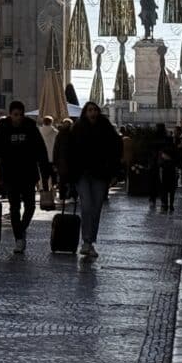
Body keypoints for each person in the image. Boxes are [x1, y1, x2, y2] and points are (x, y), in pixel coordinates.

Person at [0, 101, 54, 253]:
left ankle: (21, 230)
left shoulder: (30, 127)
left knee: (30, 206)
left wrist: (45, 175)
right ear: (10, 114)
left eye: (21, 115)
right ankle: (19, 238)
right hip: (10, 174)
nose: (18, 118)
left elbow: (41, 151)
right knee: (14, 207)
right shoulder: (3, 128)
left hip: (29, 174)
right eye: (16, 115)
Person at [70, 102, 122, 259]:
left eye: (95, 110)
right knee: (86, 206)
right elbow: (70, 151)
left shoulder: (107, 130)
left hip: (100, 174)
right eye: (89, 110)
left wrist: (113, 172)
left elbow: (116, 150)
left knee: (96, 207)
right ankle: (86, 241)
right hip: (82, 174)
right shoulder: (78, 129)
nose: (92, 113)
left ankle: (90, 241)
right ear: (85, 113)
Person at [152, 127, 181, 213]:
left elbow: (159, 161)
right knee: (172, 189)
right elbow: (178, 160)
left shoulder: (162, 150)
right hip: (172, 170)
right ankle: (171, 205)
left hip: (164, 170)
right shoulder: (174, 148)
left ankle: (164, 204)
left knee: (164, 188)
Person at [51, 117, 76, 200]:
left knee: (62, 180)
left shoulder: (59, 135)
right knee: (72, 180)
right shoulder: (73, 134)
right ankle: (73, 195)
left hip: (62, 162)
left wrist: (55, 162)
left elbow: (55, 149)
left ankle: (62, 195)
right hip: (71, 161)